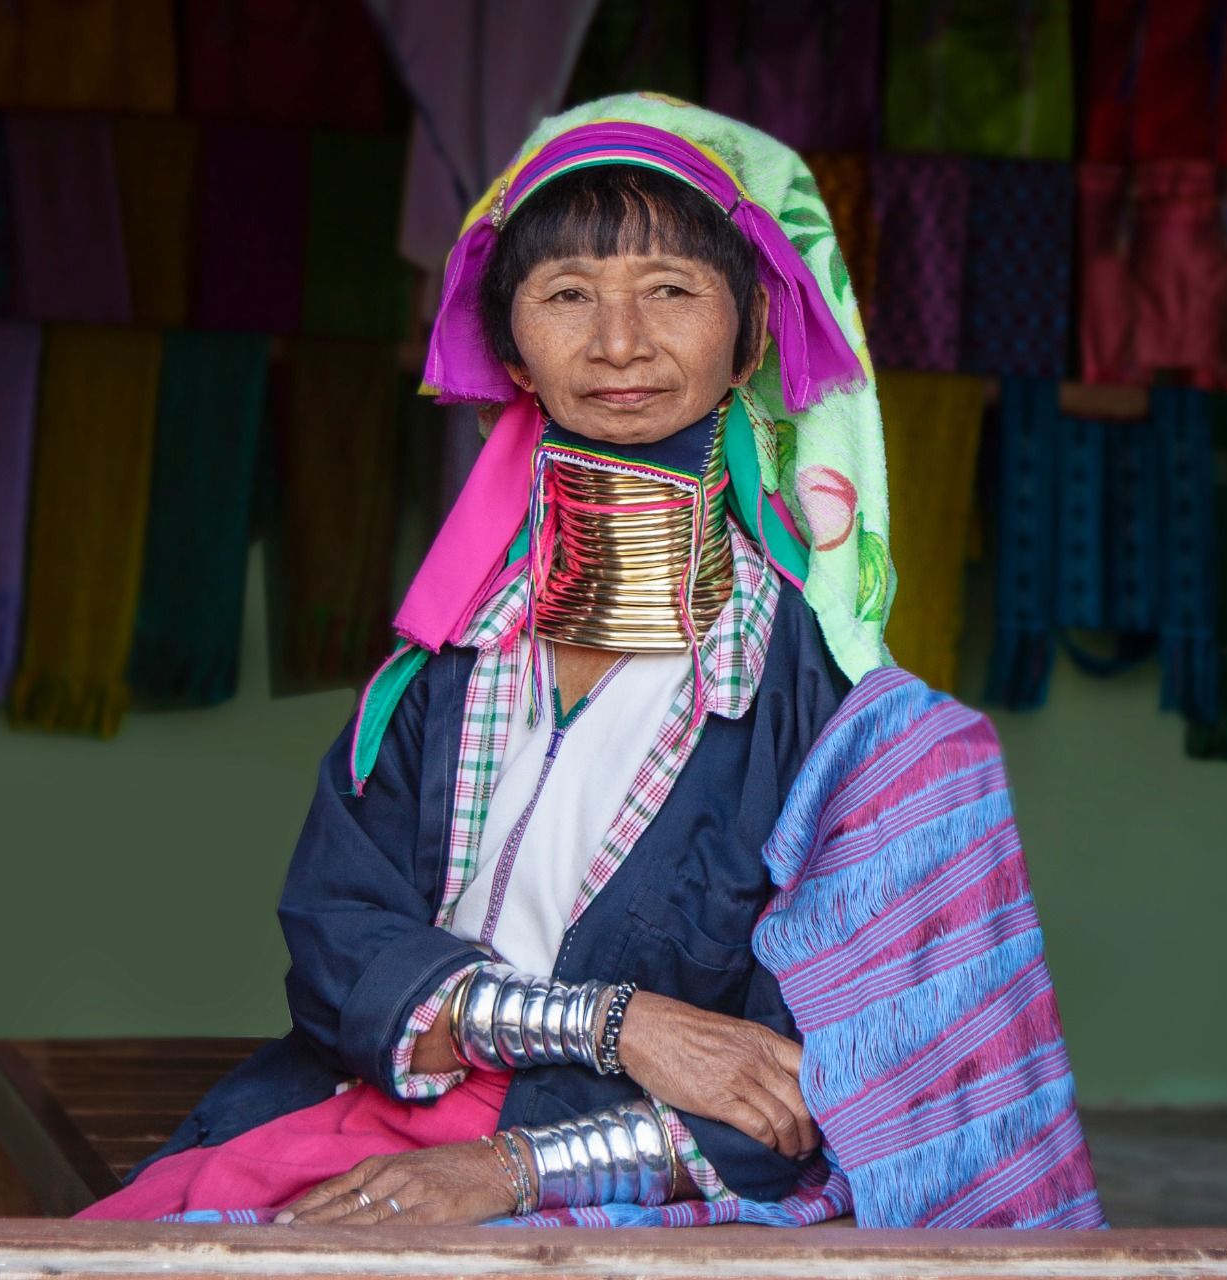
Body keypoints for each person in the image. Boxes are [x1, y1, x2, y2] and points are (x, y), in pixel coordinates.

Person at [80, 95, 1101, 1230]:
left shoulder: (841, 719)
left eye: (671, 290)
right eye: (568, 294)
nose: (619, 343)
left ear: (752, 333)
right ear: (511, 347)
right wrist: (616, 1023)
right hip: (359, 1113)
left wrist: (512, 1171)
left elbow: (821, 1092)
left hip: (630, 1187)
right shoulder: (452, 658)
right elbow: (336, 939)